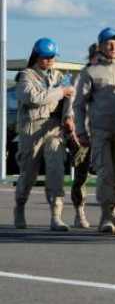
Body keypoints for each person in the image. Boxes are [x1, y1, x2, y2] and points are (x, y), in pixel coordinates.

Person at [13, 38, 74, 231]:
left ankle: (56, 216)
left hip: (54, 128)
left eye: (52, 57)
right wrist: (60, 91)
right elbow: (33, 98)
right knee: (28, 173)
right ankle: (20, 206)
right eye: (45, 57)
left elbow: (69, 99)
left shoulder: (59, 76)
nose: (49, 60)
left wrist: (69, 117)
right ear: (36, 56)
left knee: (56, 169)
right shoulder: (26, 76)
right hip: (31, 129)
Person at [73, 27, 115, 235]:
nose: (113, 46)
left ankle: (113, 211)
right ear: (101, 45)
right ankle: (106, 216)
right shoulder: (91, 71)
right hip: (100, 131)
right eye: (108, 43)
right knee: (105, 173)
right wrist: (81, 130)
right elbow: (79, 104)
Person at [62, 43, 97, 229]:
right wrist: (75, 135)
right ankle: (79, 211)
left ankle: (111, 212)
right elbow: (70, 112)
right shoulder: (81, 77)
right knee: (82, 176)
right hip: (83, 134)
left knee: (111, 173)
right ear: (92, 57)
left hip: (104, 131)